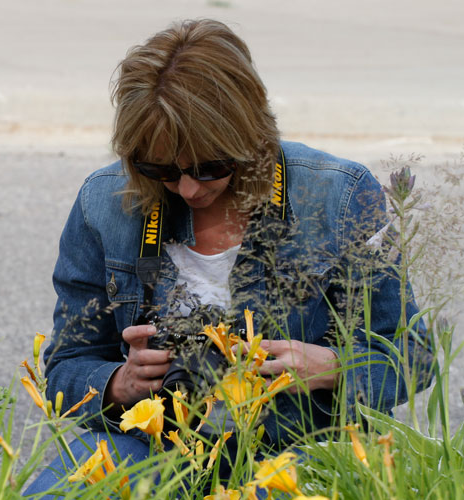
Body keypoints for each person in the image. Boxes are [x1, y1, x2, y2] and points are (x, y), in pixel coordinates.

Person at [25, 18, 432, 496]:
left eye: (208, 166)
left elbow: (412, 358)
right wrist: (120, 382)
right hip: (152, 444)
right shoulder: (104, 201)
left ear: (251, 135)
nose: (189, 189)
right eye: (160, 170)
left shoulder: (338, 195)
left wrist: (330, 368)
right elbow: (66, 366)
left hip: (293, 445)